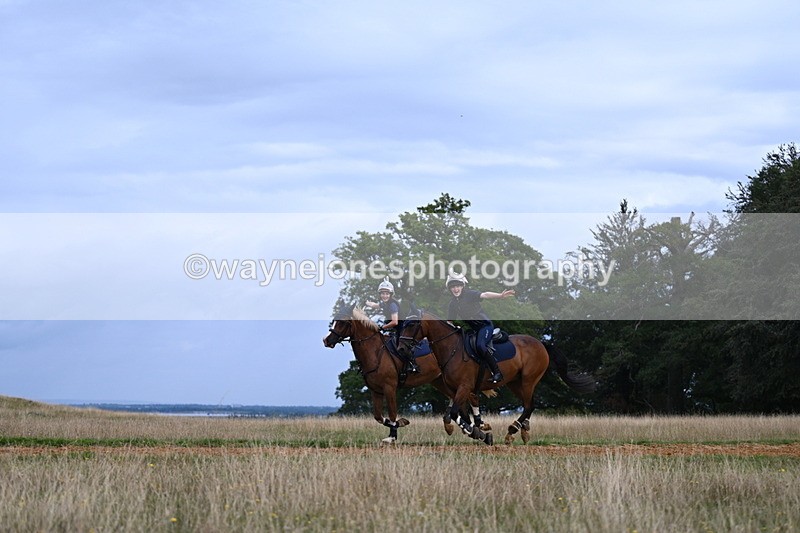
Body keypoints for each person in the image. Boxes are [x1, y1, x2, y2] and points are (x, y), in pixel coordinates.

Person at [445, 272, 515, 384]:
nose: (456, 289)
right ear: (450, 289)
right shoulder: (452, 304)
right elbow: (449, 322)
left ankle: (497, 372)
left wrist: (500, 296)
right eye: (453, 287)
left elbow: (485, 295)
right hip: (474, 330)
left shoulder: (469, 294)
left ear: (462, 286)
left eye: (458, 286)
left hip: (485, 326)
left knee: (480, 346)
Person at [365, 278, 420, 373]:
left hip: (402, 328)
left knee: (402, 347)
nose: (384, 296)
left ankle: (412, 365)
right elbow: (375, 305)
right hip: (395, 329)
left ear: (390, 294)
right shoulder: (385, 303)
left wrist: (382, 327)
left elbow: (395, 322)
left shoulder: (392, 305)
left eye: (387, 294)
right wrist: (367, 303)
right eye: (382, 293)